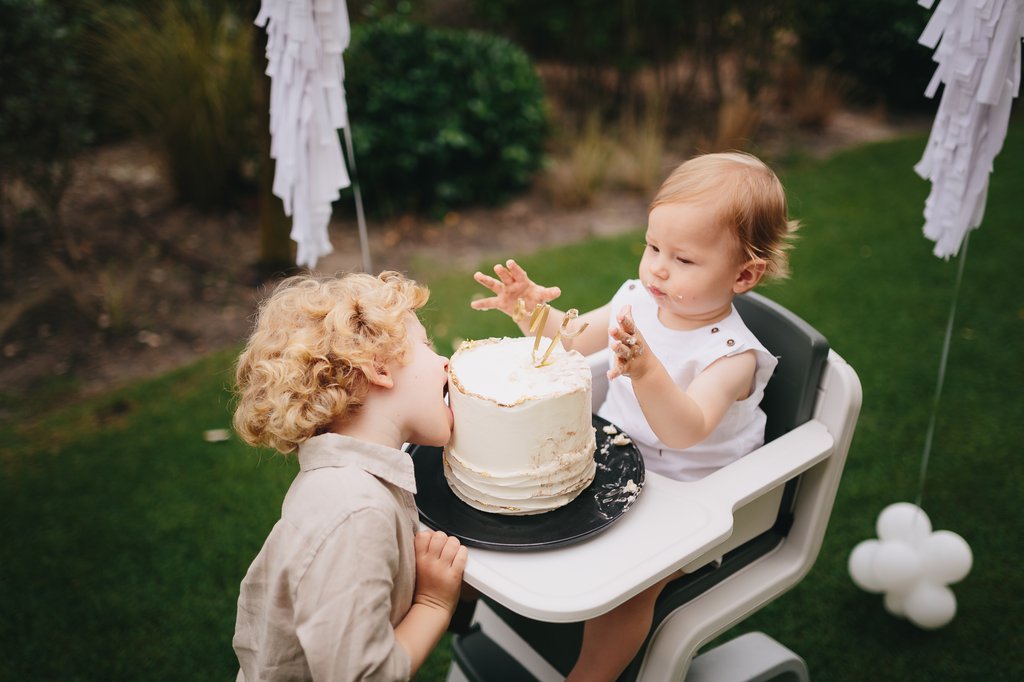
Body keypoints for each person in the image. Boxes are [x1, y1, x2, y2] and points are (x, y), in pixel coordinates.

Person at [470, 151, 799, 681]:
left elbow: (686, 429)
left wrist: (647, 372)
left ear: (744, 274)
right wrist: (528, 308)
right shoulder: (637, 300)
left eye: (684, 260)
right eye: (652, 246)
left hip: (692, 497)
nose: (658, 268)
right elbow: (573, 337)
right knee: (522, 511)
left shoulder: (732, 355)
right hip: (614, 463)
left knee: (631, 592)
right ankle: (474, 605)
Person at [231, 271, 468, 681]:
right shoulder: (356, 514)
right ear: (378, 367)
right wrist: (433, 603)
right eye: (427, 347)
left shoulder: (353, 481)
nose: (445, 361)